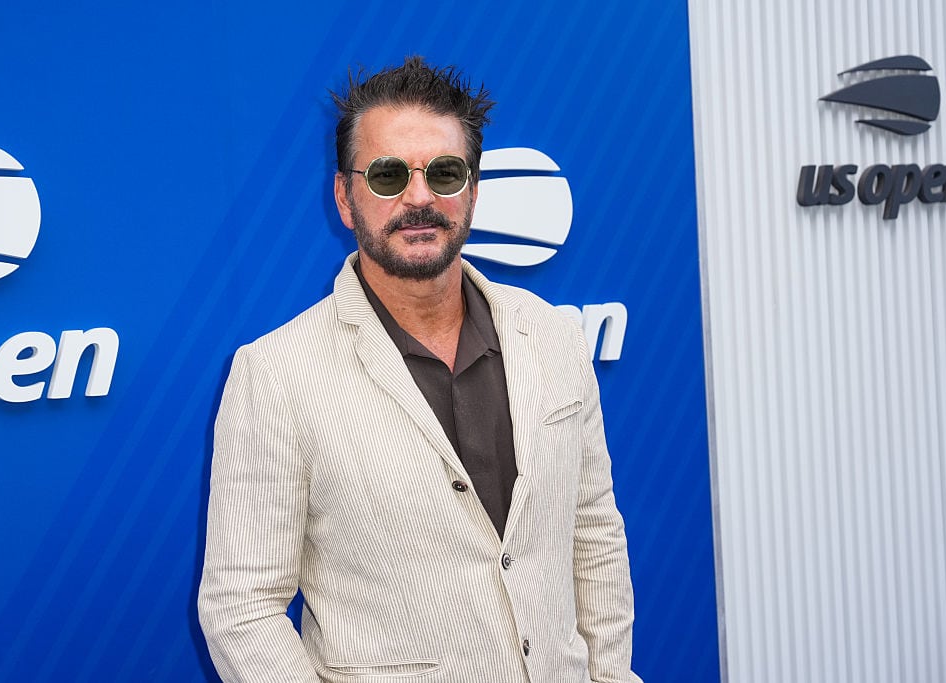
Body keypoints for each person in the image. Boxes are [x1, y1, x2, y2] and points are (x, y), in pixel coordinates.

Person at [198, 56, 641, 683]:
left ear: (474, 191)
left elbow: (593, 534)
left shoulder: (552, 338)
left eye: (445, 172)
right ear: (345, 198)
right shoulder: (274, 375)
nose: (419, 198)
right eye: (387, 175)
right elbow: (241, 608)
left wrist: (611, 674)